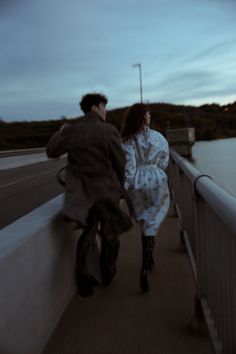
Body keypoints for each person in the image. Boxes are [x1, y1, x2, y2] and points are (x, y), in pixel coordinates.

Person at [46, 93, 132, 297]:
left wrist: (61, 131)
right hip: (106, 192)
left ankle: (83, 279)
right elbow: (120, 162)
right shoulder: (108, 130)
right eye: (104, 106)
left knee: (89, 231)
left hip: (81, 194)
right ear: (95, 108)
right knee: (110, 233)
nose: (106, 111)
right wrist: (120, 185)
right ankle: (107, 272)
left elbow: (51, 151)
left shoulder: (72, 130)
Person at [121, 103, 170, 292]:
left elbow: (129, 165)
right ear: (144, 118)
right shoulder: (159, 137)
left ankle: (148, 260)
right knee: (153, 220)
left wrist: (127, 185)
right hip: (157, 179)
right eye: (148, 116)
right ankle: (146, 263)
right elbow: (164, 161)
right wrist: (156, 170)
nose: (149, 118)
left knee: (145, 221)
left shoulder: (128, 138)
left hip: (138, 182)